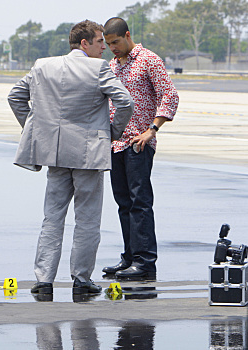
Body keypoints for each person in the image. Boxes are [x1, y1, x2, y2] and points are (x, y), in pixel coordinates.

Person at [8, 20, 134, 295]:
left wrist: (36, 129)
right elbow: (126, 102)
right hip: (89, 153)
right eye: (100, 41)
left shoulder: (43, 65)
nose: (104, 47)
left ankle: (43, 279)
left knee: (52, 217)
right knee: (87, 219)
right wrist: (111, 132)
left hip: (54, 151)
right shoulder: (99, 68)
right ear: (85, 44)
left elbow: (15, 96)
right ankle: (81, 278)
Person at [102, 17, 179, 279]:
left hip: (139, 142)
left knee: (140, 202)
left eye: (115, 42)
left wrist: (152, 129)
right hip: (116, 143)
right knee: (123, 202)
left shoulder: (149, 60)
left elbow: (169, 95)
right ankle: (129, 257)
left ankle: (145, 262)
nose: (112, 48)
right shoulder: (112, 65)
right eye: (108, 44)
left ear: (127, 35)